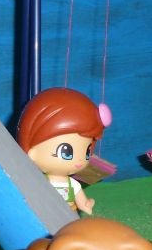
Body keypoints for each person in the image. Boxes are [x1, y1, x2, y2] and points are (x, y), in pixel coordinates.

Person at [16, 87, 108, 216]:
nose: (79, 160)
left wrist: (86, 205)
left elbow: (81, 201)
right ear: (32, 152)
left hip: (69, 216)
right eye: (66, 152)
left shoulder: (73, 184)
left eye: (87, 152)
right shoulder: (40, 182)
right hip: (45, 215)